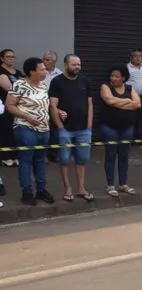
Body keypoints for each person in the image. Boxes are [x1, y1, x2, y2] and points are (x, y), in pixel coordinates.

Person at [4, 57, 55, 205]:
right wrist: (27, 116)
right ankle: (26, 192)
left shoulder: (43, 85)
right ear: (32, 71)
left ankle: (41, 190)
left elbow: (46, 104)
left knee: (40, 160)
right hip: (25, 127)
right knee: (26, 159)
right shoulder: (20, 84)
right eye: (42, 69)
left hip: (44, 128)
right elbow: (10, 105)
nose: (45, 71)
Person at [49, 54, 94, 202]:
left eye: (79, 65)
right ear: (65, 65)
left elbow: (90, 104)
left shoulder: (85, 81)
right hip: (65, 130)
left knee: (82, 160)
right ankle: (67, 189)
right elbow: (53, 106)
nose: (77, 67)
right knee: (64, 160)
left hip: (83, 129)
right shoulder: (57, 82)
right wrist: (60, 127)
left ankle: (81, 188)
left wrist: (89, 126)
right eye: (74, 64)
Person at [99, 64, 141, 197]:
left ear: (123, 77)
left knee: (124, 155)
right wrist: (127, 101)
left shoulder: (130, 88)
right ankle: (110, 184)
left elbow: (138, 104)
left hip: (127, 127)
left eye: (117, 76)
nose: (114, 78)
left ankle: (123, 184)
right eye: (112, 76)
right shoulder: (105, 87)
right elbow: (109, 101)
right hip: (109, 127)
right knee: (110, 155)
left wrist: (119, 103)